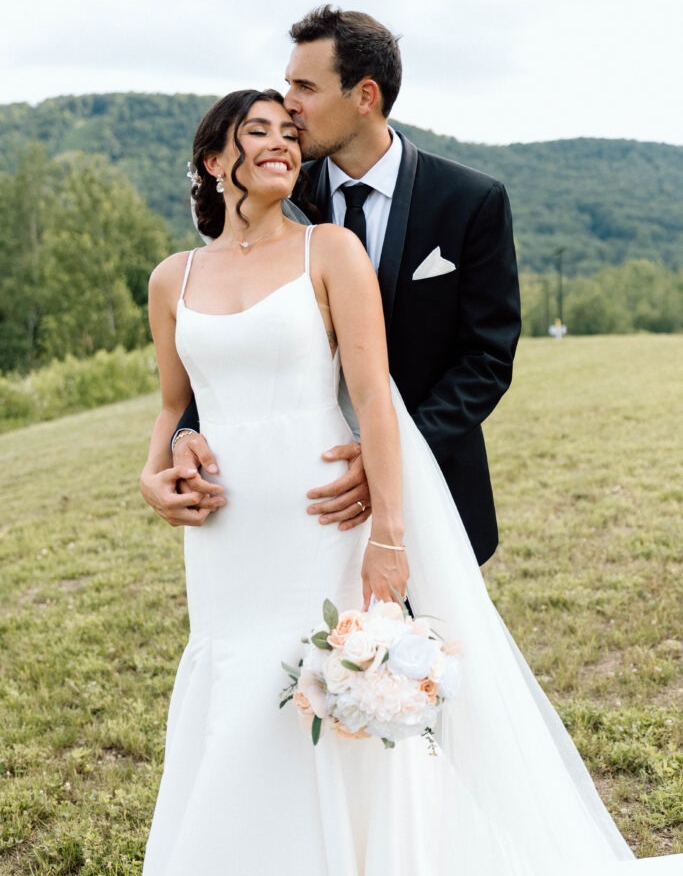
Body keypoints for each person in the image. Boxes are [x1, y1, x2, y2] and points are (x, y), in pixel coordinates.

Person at [140, 86, 681, 875]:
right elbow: (169, 406)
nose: (282, 142)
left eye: (290, 132)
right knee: (236, 689)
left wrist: (387, 537)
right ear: (212, 158)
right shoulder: (171, 278)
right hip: (226, 538)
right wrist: (153, 476)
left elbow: (374, 403)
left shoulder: (329, 250)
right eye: (258, 130)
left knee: (321, 685)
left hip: (323, 513)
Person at [140, 7, 521, 568]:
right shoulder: (275, 189)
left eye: (305, 87)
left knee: (423, 652)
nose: (288, 102)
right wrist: (182, 437)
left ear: (364, 96)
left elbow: (487, 358)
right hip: (295, 498)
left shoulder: (470, 201)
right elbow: (226, 333)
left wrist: (387, 452)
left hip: (431, 475)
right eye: (288, 82)